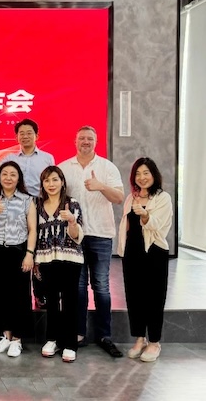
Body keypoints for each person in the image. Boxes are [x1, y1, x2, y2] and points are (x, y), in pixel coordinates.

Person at [58, 126, 124, 358]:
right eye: (82, 138)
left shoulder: (107, 167)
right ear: (75, 141)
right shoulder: (64, 168)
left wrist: (101, 186)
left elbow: (119, 198)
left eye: (90, 139)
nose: (85, 142)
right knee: (78, 287)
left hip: (101, 234)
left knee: (101, 286)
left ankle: (105, 335)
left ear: (95, 142)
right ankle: (78, 333)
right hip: (74, 235)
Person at [118, 157, 173, 362]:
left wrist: (145, 215)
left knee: (154, 298)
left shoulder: (162, 198)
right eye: (138, 174)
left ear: (154, 175)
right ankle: (140, 338)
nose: (142, 177)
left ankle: (154, 342)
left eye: (146, 173)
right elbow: (126, 226)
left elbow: (160, 225)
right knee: (134, 297)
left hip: (154, 252)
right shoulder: (130, 198)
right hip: (132, 253)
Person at [0, 161, 37, 358]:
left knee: (19, 295)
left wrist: (29, 254)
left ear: (18, 178)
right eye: (4, 174)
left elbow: (32, 229)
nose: (8, 178)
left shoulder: (27, 200)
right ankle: (5, 335)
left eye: (13, 174)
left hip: (18, 251)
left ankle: (17, 339)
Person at [0, 118, 54, 309]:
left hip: (40, 205)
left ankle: (40, 293)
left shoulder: (47, 158)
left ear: (36, 135)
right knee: (21, 247)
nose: (25, 136)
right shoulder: (10, 159)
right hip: (17, 206)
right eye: (21, 133)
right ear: (17, 137)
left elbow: (52, 183)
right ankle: (19, 292)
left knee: (40, 248)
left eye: (29, 133)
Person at [36, 166, 84, 363]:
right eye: (47, 180)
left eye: (55, 179)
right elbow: (35, 233)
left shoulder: (72, 204)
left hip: (70, 259)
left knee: (70, 300)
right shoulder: (38, 205)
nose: (51, 184)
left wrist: (72, 221)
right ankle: (52, 339)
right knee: (52, 300)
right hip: (46, 259)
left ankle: (70, 343)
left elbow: (78, 236)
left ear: (62, 182)